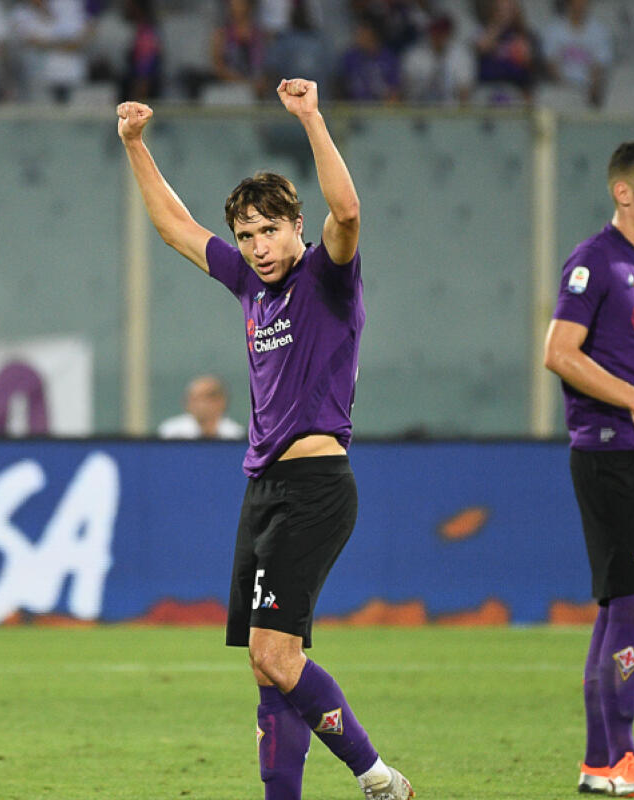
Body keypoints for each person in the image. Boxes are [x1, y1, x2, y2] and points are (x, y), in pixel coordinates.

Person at [117, 79, 413, 800]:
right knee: (265, 663)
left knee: (278, 658)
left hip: (316, 488)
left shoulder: (326, 279)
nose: (255, 246)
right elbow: (176, 229)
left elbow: (348, 211)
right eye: (246, 235)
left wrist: (311, 117)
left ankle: (377, 777)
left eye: (268, 230)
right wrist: (134, 145)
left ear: (295, 226)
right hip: (266, 489)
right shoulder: (252, 289)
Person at [543, 140, 634, 798]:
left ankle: (600, 763)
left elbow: (624, 357)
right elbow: (560, 352)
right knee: (630, 603)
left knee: (621, 608)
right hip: (607, 454)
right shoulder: (595, 262)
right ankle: (618, 760)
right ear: (623, 193)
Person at [541, 0, 613, 106]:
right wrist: (564, 87)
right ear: (569, 4)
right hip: (561, 87)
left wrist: (592, 87)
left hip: (587, 88)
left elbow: (600, 65)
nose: (580, 6)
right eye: (577, 3)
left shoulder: (600, 31)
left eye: (583, 3)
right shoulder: (554, 29)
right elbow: (551, 64)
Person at [402, 13, 475, 105]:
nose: (439, 36)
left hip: (449, 113)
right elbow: (406, 89)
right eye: (436, 31)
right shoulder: (415, 55)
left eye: (443, 32)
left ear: (450, 33)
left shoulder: (461, 55)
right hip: (418, 110)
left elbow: (465, 91)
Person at [158, 374, 247, 439]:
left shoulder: (236, 435)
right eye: (192, 398)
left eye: (201, 398)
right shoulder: (171, 433)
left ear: (220, 401)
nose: (196, 404)